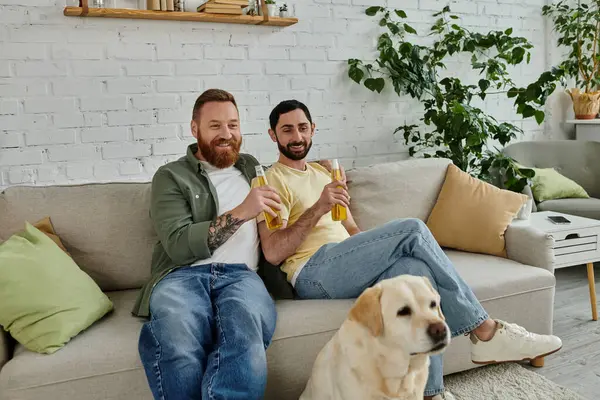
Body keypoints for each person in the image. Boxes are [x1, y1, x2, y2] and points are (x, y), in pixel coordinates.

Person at [256, 100, 563, 400]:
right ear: (273, 135)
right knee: (412, 228)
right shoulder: (269, 181)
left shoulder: (325, 174)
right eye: (287, 130)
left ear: (313, 129)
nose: (296, 137)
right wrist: (318, 206)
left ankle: (431, 393)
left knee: (414, 275)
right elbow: (273, 252)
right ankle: (485, 330)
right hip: (312, 272)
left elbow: (351, 230)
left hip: (345, 259)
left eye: (302, 128)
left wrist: (377, 250)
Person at [133, 89, 285, 400]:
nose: (226, 134)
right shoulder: (170, 176)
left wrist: (314, 168)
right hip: (181, 276)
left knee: (244, 329)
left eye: (233, 125)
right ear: (195, 129)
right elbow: (177, 244)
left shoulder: (251, 166)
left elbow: (288, 176)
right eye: (215, 126)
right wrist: (243, 211)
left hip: (242, 276)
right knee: (176, 332)